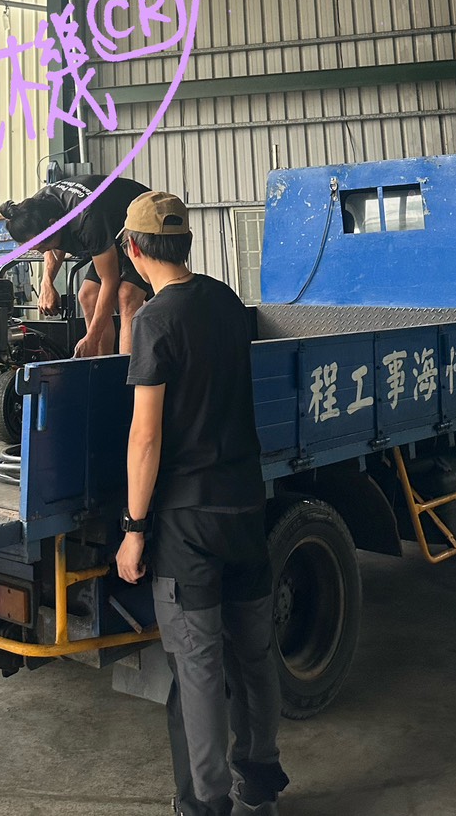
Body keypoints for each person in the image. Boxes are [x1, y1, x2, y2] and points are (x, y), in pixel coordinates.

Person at [115, 191, 288, 816]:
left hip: (188, 523)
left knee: (199, 671)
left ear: (135, 251)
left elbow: (146, 436)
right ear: (184, 243)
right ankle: (260, 780)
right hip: (245, 506)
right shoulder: (226, 302)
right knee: (254, 654)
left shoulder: (156, 320)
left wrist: (134, 528)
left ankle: (207, 804)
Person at [0, 173, 151, 357]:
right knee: (87, 296)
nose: (41, 252)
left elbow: (109, 280)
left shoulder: (86, 218)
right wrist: (47, 283)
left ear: (54, 225)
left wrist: (92, 337)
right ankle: (104, 367)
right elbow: (52, 247)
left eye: (41, 246)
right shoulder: (37, 206)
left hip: (145, 224)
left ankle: (128, 373)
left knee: (127, 296)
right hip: (111, 230)